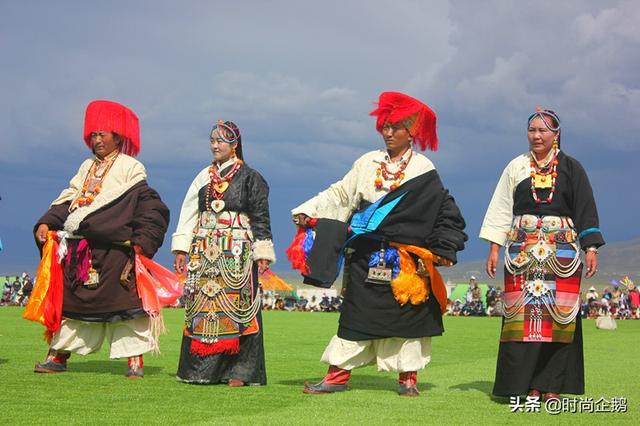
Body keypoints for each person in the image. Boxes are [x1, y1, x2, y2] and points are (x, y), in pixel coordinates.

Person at [292, 92, 466, 396]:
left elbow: (443, 212)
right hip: (365, 255)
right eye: (384, 127)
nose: (387, 132)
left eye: (394, 127)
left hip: (407, 262)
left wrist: (441, 250)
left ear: (410, 132)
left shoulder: (423, 170)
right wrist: (309, 210)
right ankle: (336, 376)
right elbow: (341, 195)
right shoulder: (367, 163)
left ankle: (408, 379)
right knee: (356, 315)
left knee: (408, 319)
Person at [31, 100, 170, 378]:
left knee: (126, 308)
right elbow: (70, 200)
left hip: (115, 252)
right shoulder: (85, 167)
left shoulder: (131, 168)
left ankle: (134, 361)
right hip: (80, 253)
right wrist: (47, 222)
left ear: (117, 136)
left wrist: (141, 242)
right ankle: (58, 355)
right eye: (93, 135)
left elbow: (148, 207)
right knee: (72, 306)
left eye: (102, 134)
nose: (97, 140)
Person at [480, 108, 604, 400]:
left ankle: (551, 385)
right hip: (521, 252)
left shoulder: (572, 168)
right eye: (532, 130)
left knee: (558, 319)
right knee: (521, 320)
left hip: (561, 253)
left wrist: (591, 248)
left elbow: (585, 209)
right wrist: (494, 248)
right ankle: (524, 386)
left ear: (556, 134)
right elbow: (500, 208)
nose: (536, 136)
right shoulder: (516, 167)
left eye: (542, 131)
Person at [172, 119, 275, 386]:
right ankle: (200, 372)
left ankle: (240, 372)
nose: (214, 145)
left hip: (238, 252)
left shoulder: (252, 178)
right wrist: (182, 247)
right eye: (212, 140)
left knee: (239, 310)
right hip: (205, 251)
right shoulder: (203, 177)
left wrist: (262, 250)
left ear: (234, 145)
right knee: (203, 307)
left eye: (220, 141)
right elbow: (188, 213)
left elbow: (261, 216)